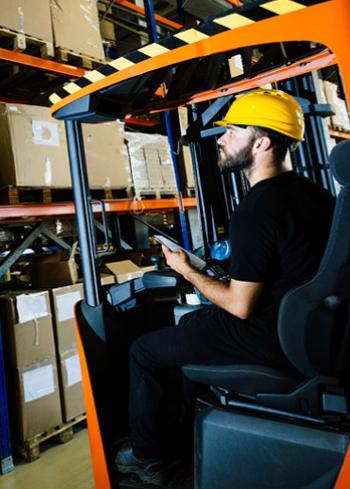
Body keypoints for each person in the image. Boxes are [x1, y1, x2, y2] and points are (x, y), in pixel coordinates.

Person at [115, 89, 336, 486]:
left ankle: (147, 458)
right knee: (189, 327)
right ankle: (180, 437)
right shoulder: (313, 194)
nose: (221, 139)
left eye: (233, 131)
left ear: (262, 142)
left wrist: (188, 270)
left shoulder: (257, 209)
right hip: (302, 328)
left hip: (267, 335)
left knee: (143, 351)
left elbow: (239, 304)